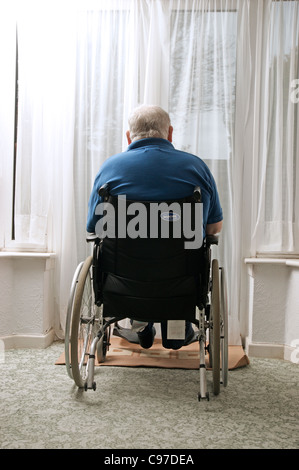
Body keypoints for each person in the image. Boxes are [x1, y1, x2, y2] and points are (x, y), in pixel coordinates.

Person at [87, 104, 223, 350]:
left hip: (123, 279)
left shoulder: (110, 168)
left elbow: (94, 227)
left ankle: (141, 322)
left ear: (129, 137)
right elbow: (214, 228)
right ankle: (175, 327)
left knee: (135, 254)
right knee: (177, 255)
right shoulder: (196, 167)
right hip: (181, 279)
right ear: (170, 133)